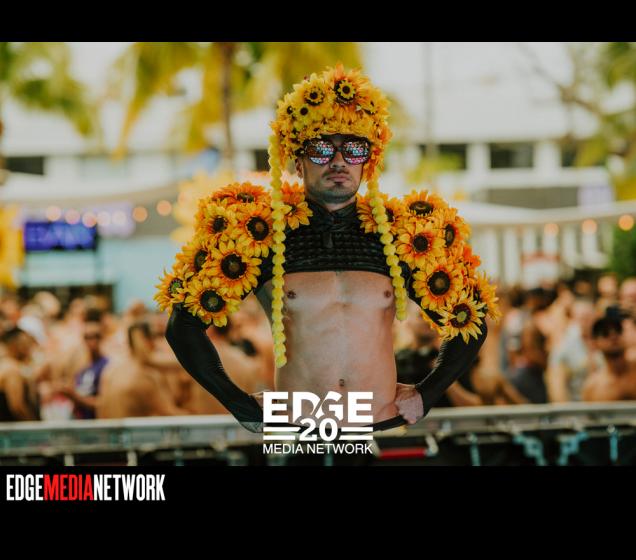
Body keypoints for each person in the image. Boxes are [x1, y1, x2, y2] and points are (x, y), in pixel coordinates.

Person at [158, 64, 498, 433]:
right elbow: (183, 326)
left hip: (380, 426)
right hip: (300, 434)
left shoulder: (403, 237)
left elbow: (471, 317)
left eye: (353, 149)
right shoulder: (259, 235)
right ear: (298, 162)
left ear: (367, 162)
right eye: (321, 149)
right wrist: (238, 403)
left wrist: (427, 394)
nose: (338, 161)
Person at [97, 321, 189, 418]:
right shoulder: (147, 375)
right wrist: (193, 416)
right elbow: (167, 412)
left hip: (110, 426)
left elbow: (101, 409)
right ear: (150, 341)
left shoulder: (109, 370)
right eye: (157, 337)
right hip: (134, 426)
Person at [545, 298, 604, 403]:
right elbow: (557, 386)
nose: (587, 322)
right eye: (582, 318)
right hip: (577, 406)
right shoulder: (563, 348)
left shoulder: (607, 341)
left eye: (590, 316)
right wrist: (566, 410)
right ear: (573, 319)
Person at [54, 310, 109, 419]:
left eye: (95, 336)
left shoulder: (107, 366)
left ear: (102, 338)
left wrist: (74, 396)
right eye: (87, 337)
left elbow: (104, 403)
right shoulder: (82, 367)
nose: (92, 341)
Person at [582, 316, 636, 402]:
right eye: (605, 333)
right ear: (595, 343)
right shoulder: (593, 388)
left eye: (618, 330)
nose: (613, 336)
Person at [0, 327, 39, 421]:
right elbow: (17, 407)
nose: (29, 348)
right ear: (13, 346)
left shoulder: (7, 365)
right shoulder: (12, 370)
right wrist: (33, 425)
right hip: (12, 427)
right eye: (25, 344)